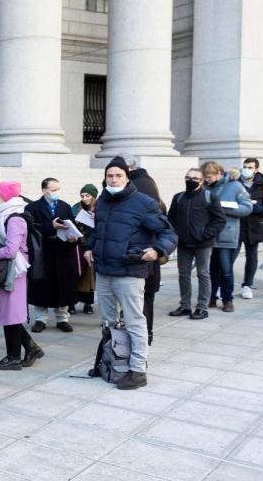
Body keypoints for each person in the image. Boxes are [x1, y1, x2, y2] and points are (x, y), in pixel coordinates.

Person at [84, 157, 177, 390]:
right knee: (107, 321)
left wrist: (157, 251)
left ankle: (137, 370)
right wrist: (89, 248)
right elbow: (98, 232)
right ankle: (109, 362)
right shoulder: (103, 201)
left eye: (118, 175)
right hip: (104, 271)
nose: (113, 179)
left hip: (129, 271)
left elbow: (168, 233)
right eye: (110, 175)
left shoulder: (143, 202)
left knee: (135, 322)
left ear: (127, 177)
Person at [0, 181, 44, 371]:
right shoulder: (4, 214)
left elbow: (11, 251)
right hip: (8, 270)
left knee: (11, 314)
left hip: (15, 271)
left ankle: (13, 357)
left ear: (5, 195)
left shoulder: (14, 218)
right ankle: (30, 348)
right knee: (8, 313)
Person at [167, 167, 226, 320]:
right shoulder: (178, 197)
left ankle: (202, 307)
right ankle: (185, 305)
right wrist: (176, 233)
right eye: (188, 178)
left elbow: (219, 220)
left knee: (203, 274)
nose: (190, 181)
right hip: (183, 244)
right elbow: (171, 218)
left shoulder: (210, 197)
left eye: (194, 178)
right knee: (183, 274)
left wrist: (205, 235)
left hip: (203, 244)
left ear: (201, 181)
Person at [120, 155, 166, 345]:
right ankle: (145, 335)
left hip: (140, 251)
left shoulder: (137, 188)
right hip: (147, 249)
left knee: (140, 297)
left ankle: (141, 337)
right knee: (145, 297)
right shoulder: (148, 183)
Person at [24, 178, 80, 333]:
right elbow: (31, 229)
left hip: (63, 252)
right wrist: (51, 227)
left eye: (58, 189)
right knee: (42, 286)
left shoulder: (65, 206)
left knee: (63, 285)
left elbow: (72, 226)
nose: (56, 193)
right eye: (53, 190)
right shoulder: (32, 207)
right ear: (44, 190)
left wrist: (74, 238)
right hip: (44, 252)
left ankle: (62, 318)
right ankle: (40, 319)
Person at [201, 162, 252, 312]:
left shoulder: (235, 186)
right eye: (205, 177)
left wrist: (224, 209)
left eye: (209, 177)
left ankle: (227, 299)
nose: (206, 180)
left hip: (226, 234)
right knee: (210, 270)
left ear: (218, 173)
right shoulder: (204, 187)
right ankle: (211, 297)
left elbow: (247, 208)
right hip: (209, 235)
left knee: (226, 270)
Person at [237, 158, 263, 298]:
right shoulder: (235, 182)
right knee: (229, 256)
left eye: (250, 167)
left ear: (256, 169)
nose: (246, 169)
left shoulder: (262, 185)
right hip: (237, 225)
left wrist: (257, 208)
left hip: (254, 226)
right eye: (245, 166)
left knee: (251, 257)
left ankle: (247, 285)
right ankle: (223, 284)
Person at [71, 184, 98, 314]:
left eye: (87, 195)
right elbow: (69, 222)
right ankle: (72, 303)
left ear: (93, 196)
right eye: (82, 196)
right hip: (77, 244)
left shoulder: (99, 208)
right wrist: (76, 222)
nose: (84, 198)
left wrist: (95, 218)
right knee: (76, 273)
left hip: (92, 245)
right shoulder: (76, 208)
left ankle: (88, 304)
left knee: (89, 275)